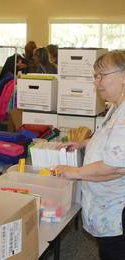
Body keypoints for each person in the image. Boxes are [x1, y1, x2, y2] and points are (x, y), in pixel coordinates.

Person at [56, 50, 125, 260]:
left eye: (101, 75)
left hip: (116, 215)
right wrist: (84, 143)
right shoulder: (117, 107)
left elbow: (115, 167)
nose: (97, 82)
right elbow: (113, 142)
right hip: (107, 207)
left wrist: (74, 172)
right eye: (95, 76)